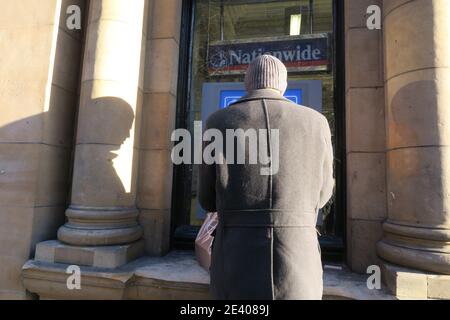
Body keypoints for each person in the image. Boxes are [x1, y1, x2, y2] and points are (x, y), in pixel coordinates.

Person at [198, 55, 335, 300]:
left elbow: (207, 199)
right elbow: (323, 196)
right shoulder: (317, 122)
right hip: (298, 259)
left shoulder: (217, 122)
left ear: (247, 83)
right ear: (283, 84)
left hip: (236, 257)